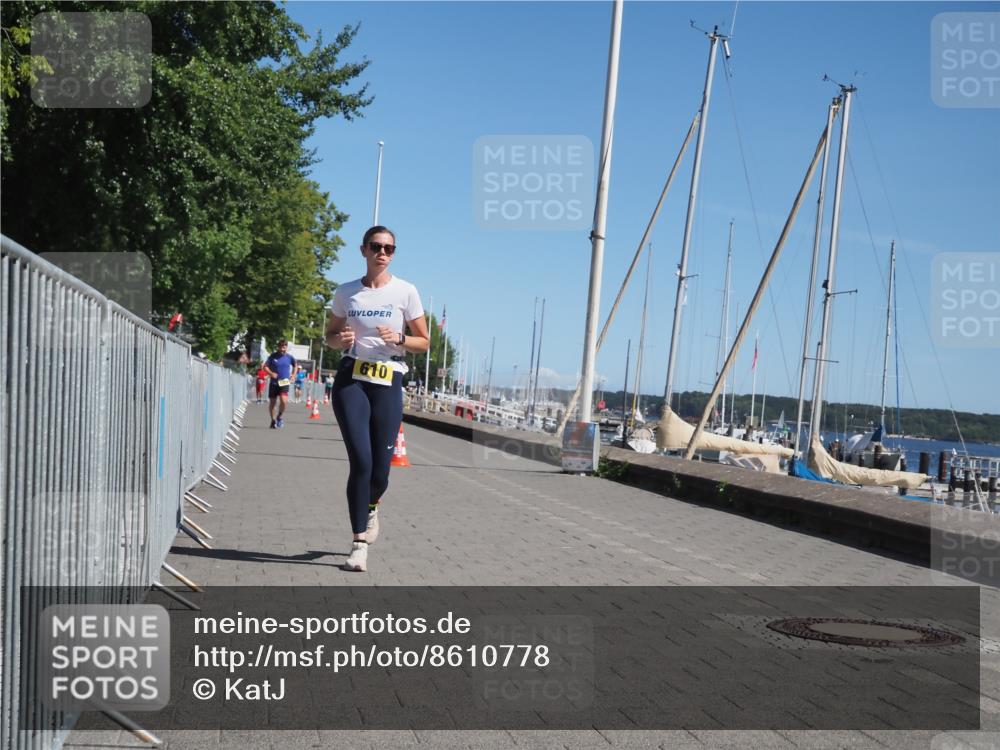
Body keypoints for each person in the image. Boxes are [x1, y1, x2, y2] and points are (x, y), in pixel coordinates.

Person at [326, 226, 429, 572]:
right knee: (361, 461)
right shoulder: (347, 293)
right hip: (351, 378)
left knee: (381, 472)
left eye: (389, 248)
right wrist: (338, 340)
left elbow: (424, 341)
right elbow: (329, 336)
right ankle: (358, 545)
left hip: (388, 379)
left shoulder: (406, 291)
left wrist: (400, 338)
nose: (382, 252)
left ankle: (371, 506)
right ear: (364, 250)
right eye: (376, 246)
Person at [265, 340, 296, 429]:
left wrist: (293, 375)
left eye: (285, 345)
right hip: (274, 382)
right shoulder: (273, 356)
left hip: (284, 382)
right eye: (281, 345)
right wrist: (271, 373)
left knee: (284, 401)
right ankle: (272, 420)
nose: (283, 347)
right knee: (272, 403)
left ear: (286, 347)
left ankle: (279, 416)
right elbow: (265, 367)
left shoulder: (290, 357)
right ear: (278, 346)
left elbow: (295, 365)